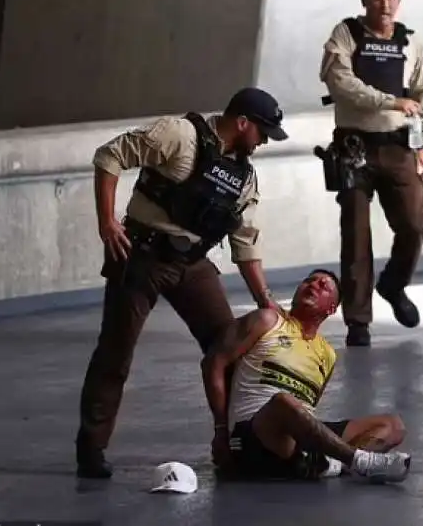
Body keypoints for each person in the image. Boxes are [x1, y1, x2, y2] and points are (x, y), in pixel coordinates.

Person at [75, 87, 288, 479]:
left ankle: (237, 444)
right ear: (242, 123)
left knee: (230, 348)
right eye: (262, 133)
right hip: (142, 255)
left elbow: (246, 245)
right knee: (115, 354)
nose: (263, 142)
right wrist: (106, 221)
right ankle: (91, 448)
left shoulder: (244, 177)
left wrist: (266, 303)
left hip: (192, 264)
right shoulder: (179, 135)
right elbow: (110, 155)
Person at [201, 269, 411, 483]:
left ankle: (327, 463)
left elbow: (309, 407)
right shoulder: (267, 320)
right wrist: (220, 430)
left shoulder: (327, 354)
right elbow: (213, 362)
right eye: (309, 281)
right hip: (254, 433)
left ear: (330, 308)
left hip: (295, 437)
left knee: (393, 425)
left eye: (323, 286)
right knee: (283, 401)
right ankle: (359, 462)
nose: (313, 285)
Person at [319, 0, 423, 347]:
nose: (383, 5)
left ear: (398, 2)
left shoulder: (412, 42)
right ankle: (358, 321)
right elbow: (340, 83)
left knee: (414, 224)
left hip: (400, 145)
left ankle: (394, 284)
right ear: (364, 0)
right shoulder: (346, 34)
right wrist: (389, 101)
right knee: (355, 231)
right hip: (354, 148)